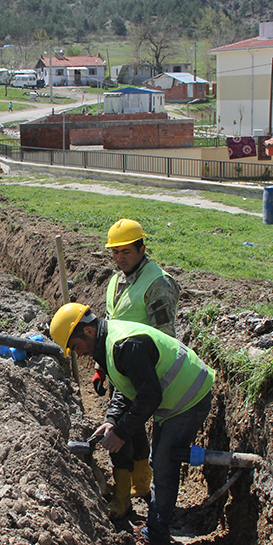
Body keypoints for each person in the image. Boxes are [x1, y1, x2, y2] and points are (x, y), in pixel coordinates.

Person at [50, 303, 214, 545]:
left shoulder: (125, 345)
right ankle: (158, 526)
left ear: (89, 331)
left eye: (76, 346)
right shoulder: (108, 345)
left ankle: (154, 540)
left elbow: (149, 396)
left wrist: (122, 432)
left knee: (163, 465)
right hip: (174, 399)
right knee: (159, 461)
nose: (78, 354)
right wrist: (112, 420)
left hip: (188, 396)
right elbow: (125, 389)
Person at [92, 218, 182, 516]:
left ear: (142, 248)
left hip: (145, 370)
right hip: (122, 368)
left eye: (126, 252)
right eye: (115, 252)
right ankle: (141, 485)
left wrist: (148, 381)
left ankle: (123, 499)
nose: (119, 258)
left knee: (122, 431)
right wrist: (101, 366)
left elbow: (165, 336)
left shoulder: (158, 283)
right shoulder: (117, 280)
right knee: (132, 430)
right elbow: (110, 326)